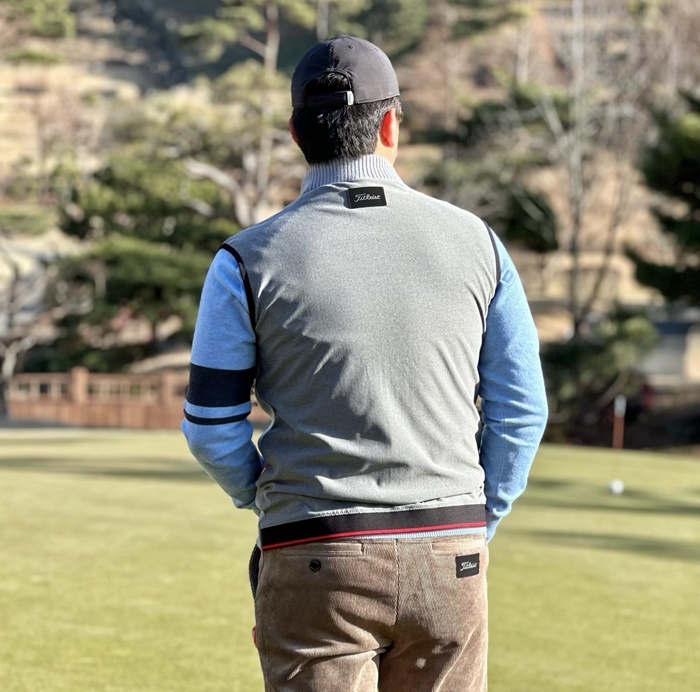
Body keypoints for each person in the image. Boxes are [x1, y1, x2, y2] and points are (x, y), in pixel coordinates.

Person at [182, 35, 548, 692]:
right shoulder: (481, 244)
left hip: (312, 549)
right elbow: (522, 411)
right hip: (450, 548)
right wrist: (477, 517)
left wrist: (264, 498)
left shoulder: (243, 260)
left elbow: (211, 427)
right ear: (389, 125)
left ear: (297, 134)